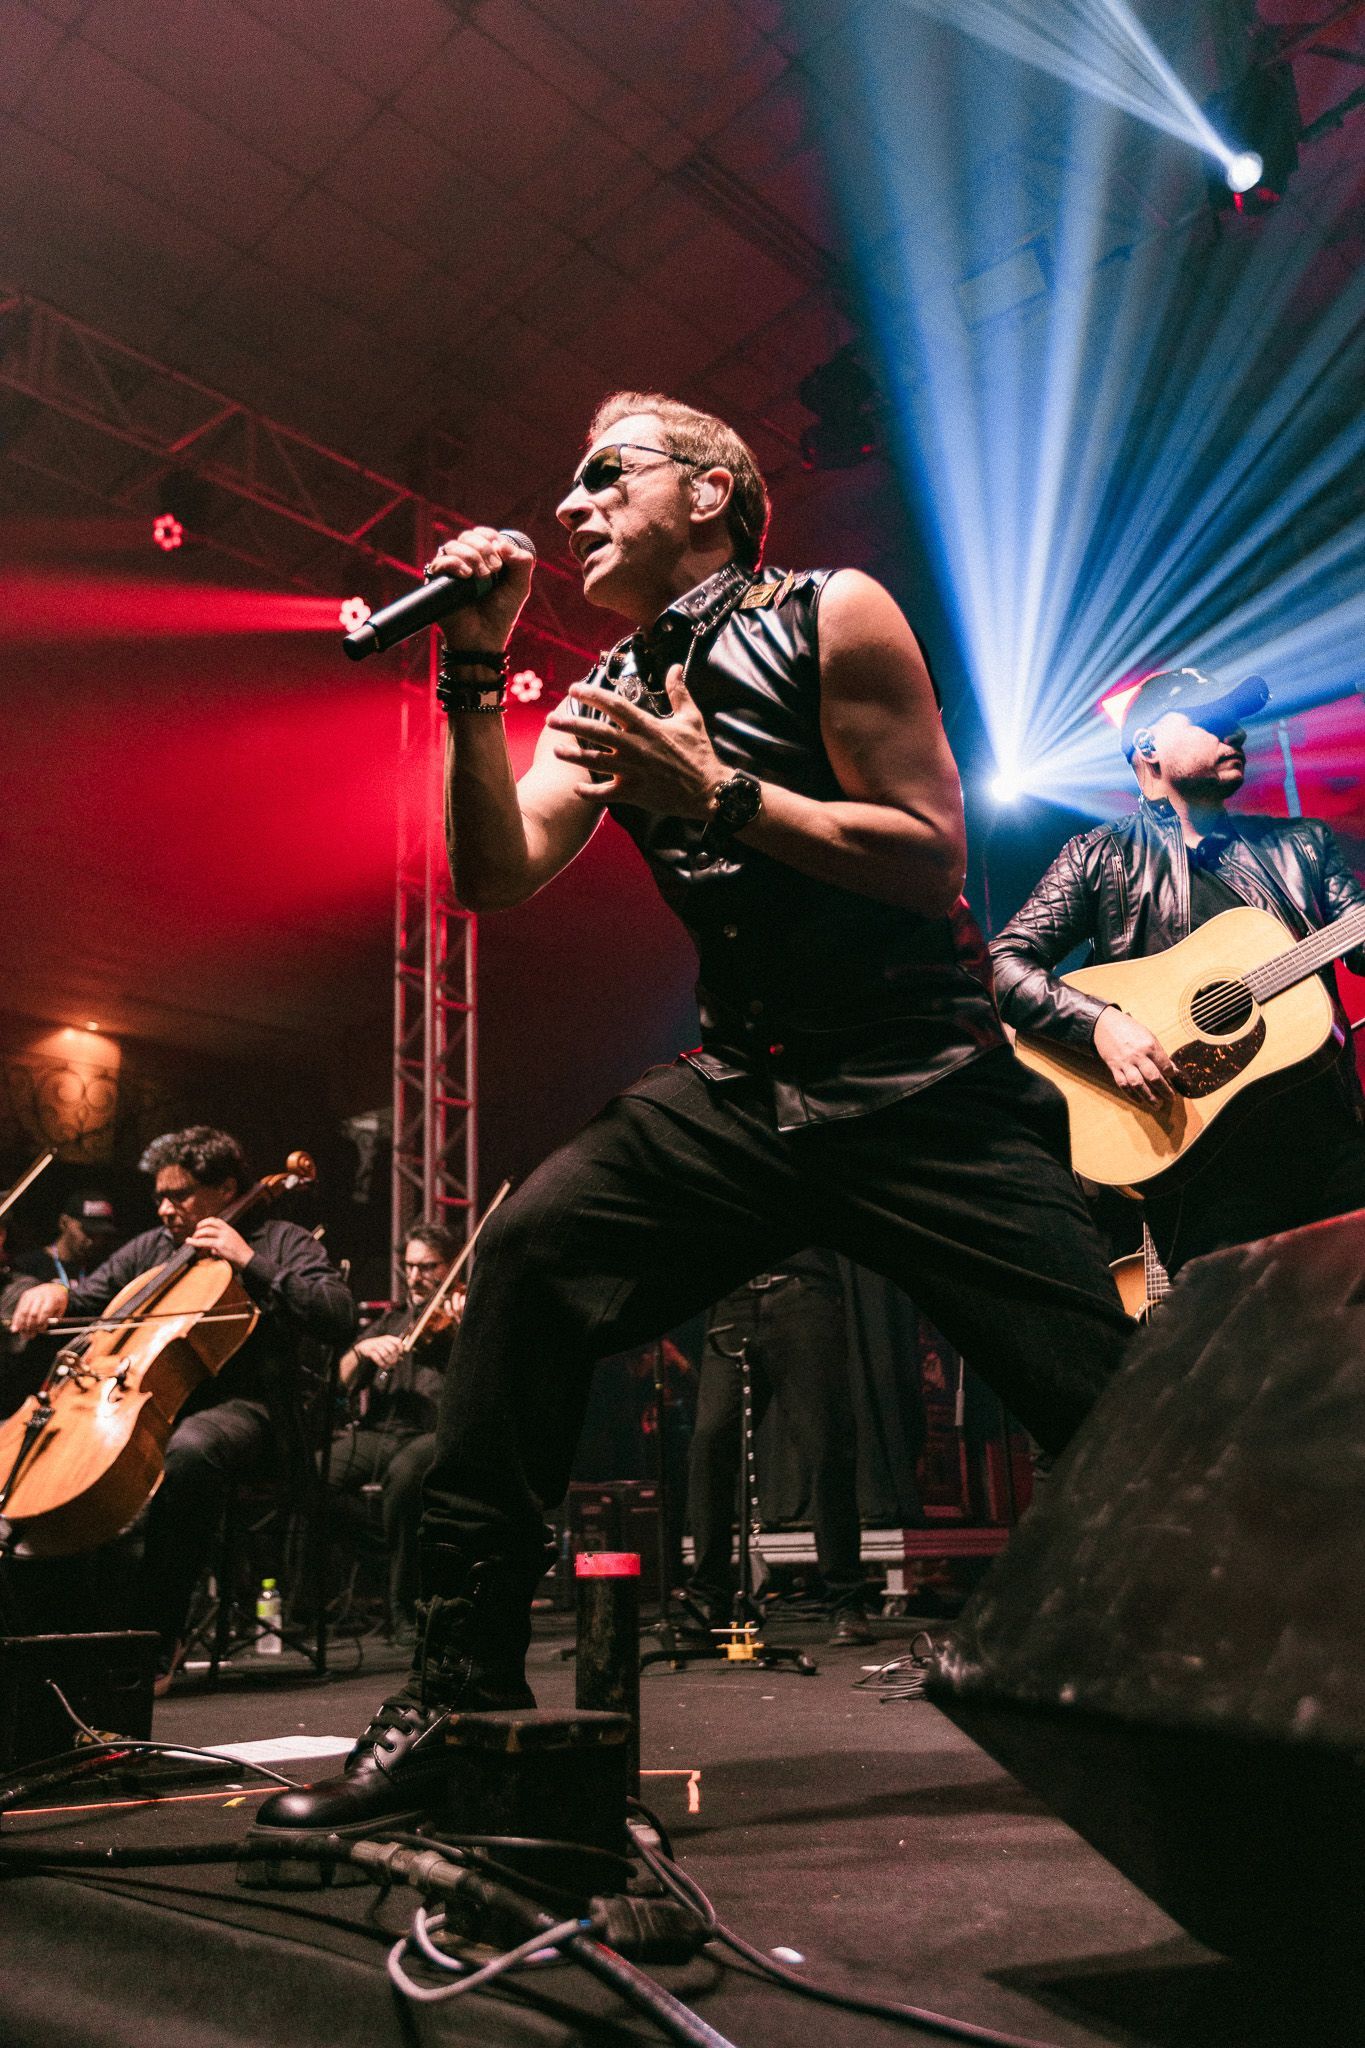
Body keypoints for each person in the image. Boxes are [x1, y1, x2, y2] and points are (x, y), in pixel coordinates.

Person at [255, 391, 1129, 1841]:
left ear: (712, 490)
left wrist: (722, 795)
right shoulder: (607, 687)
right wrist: (474, 668)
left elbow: (927, 856)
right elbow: (496, 869)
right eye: (572, 485)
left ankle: (1276, 1669)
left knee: (1108, 1404)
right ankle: (461, 1703)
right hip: (746, 1086)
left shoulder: (833, 610)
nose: (573, 505)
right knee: (531, 1252)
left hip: (920, 1084)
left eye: (607, 474)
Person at [990, 667, 1365, 1271]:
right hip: (1195, 1168)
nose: (1234, 732)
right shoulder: (1100, 858)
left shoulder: (1304, 845)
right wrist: (1100, 1024)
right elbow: (1002, 964)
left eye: (1235, 720)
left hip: (1330, 1149)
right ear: (1147, 746)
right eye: (1211, 719)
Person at [10, 1126, 356, 1684]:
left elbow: (337, 1313)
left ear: (226, 1188)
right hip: (151, 1401)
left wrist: (249, 1261)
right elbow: (94, 1294)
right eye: (160, 1197)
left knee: (189, 1451)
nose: (166, 1209)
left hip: (254, 1409)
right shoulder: (154, 1248)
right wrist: (57, 1293)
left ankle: (157, 1634)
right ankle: (67, 1635)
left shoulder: (280, 1239)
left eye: (181, 1195)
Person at [685, 1250, 874, 1646]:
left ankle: (846, 1601)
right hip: (732, 1303)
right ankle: (709, 1601)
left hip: (801, 1294)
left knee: (827, 1446)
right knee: (709, 1443)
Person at [329, 1221, 460, 1637]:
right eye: (410, 1267)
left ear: (451, 1267)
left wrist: (465, 1325)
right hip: (382, 1432)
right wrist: (361, 1350)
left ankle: (406, 1608)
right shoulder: (392, 1320)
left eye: (428, 1267)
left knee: (405, 1479)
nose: (416, 1277)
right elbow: (341, 1381)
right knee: (316, 1473)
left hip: (435, 1433)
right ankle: (382, 1560)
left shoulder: (465, 1314)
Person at [0, 1190, 123, 1418]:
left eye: (101, 1234)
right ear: (64, 1222)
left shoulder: (104, 1269)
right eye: (87, 1231)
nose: (93, 1240)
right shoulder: (27, 1268)